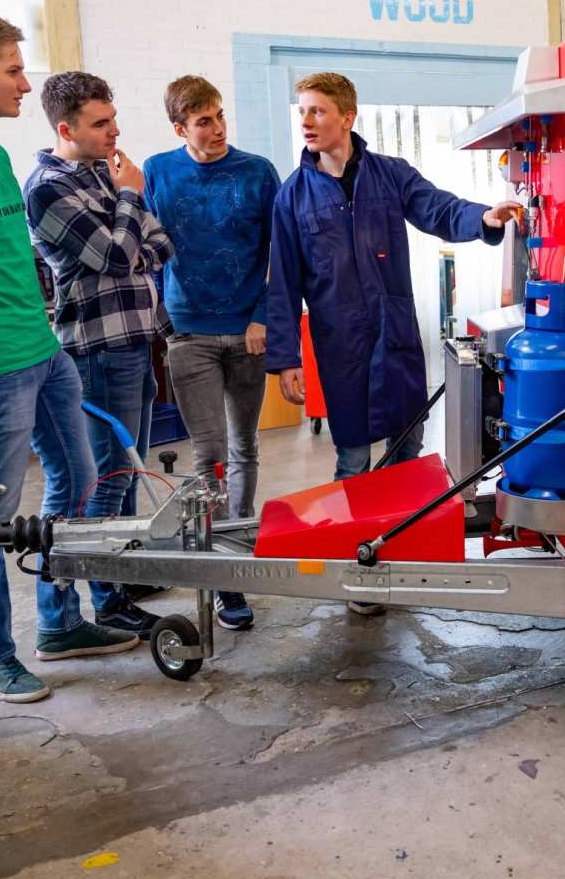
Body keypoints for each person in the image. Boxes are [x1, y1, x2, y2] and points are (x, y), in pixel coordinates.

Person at [0, 10, 139, 703]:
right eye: (14, 70)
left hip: (46, 354)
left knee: (78, 483)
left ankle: (60, 623)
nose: (26, 83)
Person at [265, 72, 521, 614]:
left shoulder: (390, 176)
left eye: (316, 111)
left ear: (347, 117)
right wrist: (286, 358)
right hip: (342, 345)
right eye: (302, 112)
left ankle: (400, 559)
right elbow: (284, 282)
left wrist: (485, 218)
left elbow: (439, 209)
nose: (306, 122)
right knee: (353, 458)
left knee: (407, 453)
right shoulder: (292, 196)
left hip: (395, 335)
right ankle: (355, 570)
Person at [23, 71, 175, 640]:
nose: (115, 132)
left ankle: (119, 580)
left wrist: (127, 228)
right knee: (104, 481)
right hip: (97, 349)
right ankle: (105, 604)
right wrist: (132, 198)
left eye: (113, 119)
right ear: (66, 128)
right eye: (101, 123)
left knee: (126, 471)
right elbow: (115, 256)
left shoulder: (99, 175)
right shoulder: (48, 186)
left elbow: (160, 243)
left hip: (136, 340)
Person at [144, 75, 280, 631]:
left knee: (246, 446)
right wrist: (168, 319)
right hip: (190, 335)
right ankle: (221, 574)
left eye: (220, 115)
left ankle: (241, 545)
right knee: (210, 455)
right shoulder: (158, 171)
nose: (218, 128)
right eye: (203, 120)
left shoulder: (257, 172)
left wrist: (264, 316)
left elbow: (282, 251)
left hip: (247, 331)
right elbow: (146, 246)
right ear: (180, 128)